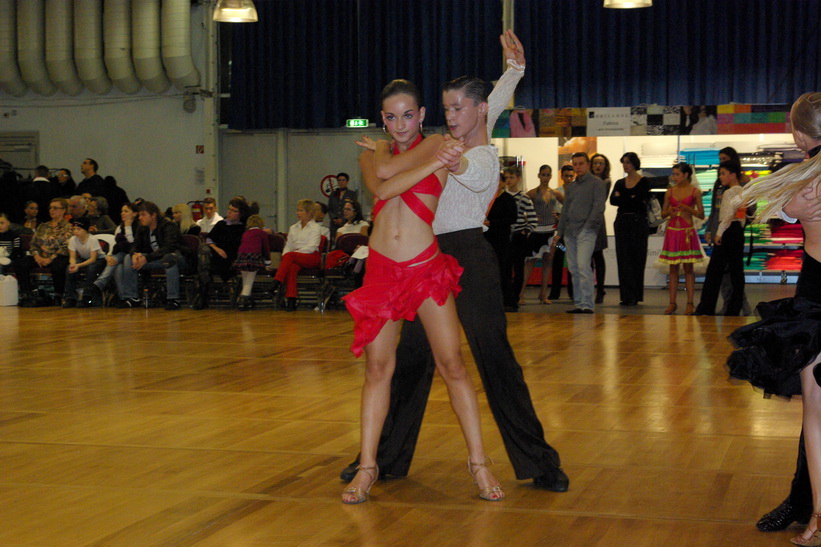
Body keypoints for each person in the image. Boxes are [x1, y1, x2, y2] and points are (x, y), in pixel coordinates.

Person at [341, 30, 568, 494]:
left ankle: (538, 461)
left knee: (492, 355)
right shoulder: (451, 136)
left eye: (458, 108)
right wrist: (515, 70)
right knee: (410, 360)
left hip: (467, 252)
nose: (451, 115)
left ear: (477, 111)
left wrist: (447, 155)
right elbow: (486, 104)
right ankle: (383, 457)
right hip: (421, 256)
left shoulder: (473, 153)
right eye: (446, 108)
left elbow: (478, 129)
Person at [342, 76, 503, 505]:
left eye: (408, 115)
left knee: (454, 365)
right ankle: (368, 468)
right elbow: (382, 184)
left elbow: (485, 110)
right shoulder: (378, 156)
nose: (400, 125)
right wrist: (418, 162)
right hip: (381, 273)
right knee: (378, 370)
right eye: (391, 118)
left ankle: (479, 463)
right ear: (382, 119)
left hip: (425, 269)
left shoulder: (436, 142)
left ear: (423, 115)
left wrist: (513, 73)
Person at [745, 92, 821, 537]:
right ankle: (805, 504)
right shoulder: (802, 177)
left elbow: (761, 208)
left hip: (815, 298)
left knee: (816, 412)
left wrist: (787, 205)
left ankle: (813, 513)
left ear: (799, 134)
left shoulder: (802, 179)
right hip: (814, 300)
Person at [556, 153, 607, 313]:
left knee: (583, 267)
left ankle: (587, 304)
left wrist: (587, 227)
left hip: (587, 232)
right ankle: (579, 303)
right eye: (575, 164)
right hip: (570, 232)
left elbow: (599, 208)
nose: (578, 167)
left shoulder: (597, 183)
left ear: (588, 164)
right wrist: (560, 232)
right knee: (574, 268)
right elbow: (565, 210)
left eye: (581, 163)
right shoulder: (571, 187)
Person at [694, 161, 746, 316]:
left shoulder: (729, 192)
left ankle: (706, 307)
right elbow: (742, 216)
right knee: (736, 271)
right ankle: (734, 308)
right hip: (737, 231)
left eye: (723, 174)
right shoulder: (743, 191)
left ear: (733, 175)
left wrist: (719, 233)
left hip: (727, 231)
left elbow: (727, 216)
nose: (720, 177)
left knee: (714, 271)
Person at [118, 201, 188, 310]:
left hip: (178, 258)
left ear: (153, 215)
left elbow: (168, 247)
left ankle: (173, 299)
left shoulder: (168, 226)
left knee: (168, 259)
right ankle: (132, 298)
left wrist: (146, 258)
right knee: (128, 258)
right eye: (139, 215)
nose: (140, 218)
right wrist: (134, 254)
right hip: (154, 259)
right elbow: (135, 245)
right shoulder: (142, 228)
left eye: (143, 215)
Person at [658, 162, 704, 315]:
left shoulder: (695, 192)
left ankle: (690, 303)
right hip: (673, 232)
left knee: (689, 269)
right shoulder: (670, 192)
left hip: (687, 233)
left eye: (677, 174)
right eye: (673, 174)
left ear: (686, 175)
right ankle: (672, 303)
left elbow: (701, 214)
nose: (674, 177)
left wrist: (689, 209)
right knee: (673, 269)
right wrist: (669, 212)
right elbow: (662, 214)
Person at [610, 152, 650, 306]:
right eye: (623, 162)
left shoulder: (644, 181)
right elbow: (613, 200)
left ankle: (635, 294)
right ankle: (626, 295)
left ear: (634, 163)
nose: (625, 165)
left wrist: (622, 198)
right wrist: (629, 198)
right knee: (623, 258)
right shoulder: (620, 182)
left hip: (638, 222)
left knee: (637, 258)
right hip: (622, 222)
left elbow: (639, 200)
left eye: (628, 162)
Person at [16, 197, 73, 306]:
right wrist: (37, 256)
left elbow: (66, 247)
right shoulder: (43, 226)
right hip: (41, 256)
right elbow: (33, 244)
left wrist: (50, 258)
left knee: (58, 266)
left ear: (63, 210)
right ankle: (27, 293)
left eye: (55, 208)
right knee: (21, 263)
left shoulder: (68, 227)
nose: (52, 210)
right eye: (50, 208)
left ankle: (58, 295)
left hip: (58, 256)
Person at [194, 198, 248, 309]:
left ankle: (204, 291)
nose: (229, 212)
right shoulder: (221, 224)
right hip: (217, 254)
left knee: (206, 262)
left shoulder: (243, 227)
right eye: (229, 209)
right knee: (204, 250)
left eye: (233, 211)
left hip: (233, 257)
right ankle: (204, 290)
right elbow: (210, 239)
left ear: (240, 213)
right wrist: (217, 249)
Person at [270, 199, 322, 312]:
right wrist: (287, 255)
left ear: (309, 212)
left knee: (290, 257)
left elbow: (311, 247)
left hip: (311, 256)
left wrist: (292, 255)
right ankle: (291, 300)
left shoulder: (316, 228)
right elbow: (288, 246)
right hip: (294, 257)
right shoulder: (293, 228)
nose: (298, 213)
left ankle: (277, 281)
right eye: (297, 210)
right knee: (292, 268)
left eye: (301, 210)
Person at [523, 164, 559, 305]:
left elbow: (568, 205)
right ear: (539, 175)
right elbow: (519, 206)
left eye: (548, 175)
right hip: (536, 231)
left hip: (550, 231)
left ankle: (543, 294)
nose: (545, 177)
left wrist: (559, 216)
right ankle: (520, 294)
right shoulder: (532, 193)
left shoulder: (555, 193)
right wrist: (528, 217)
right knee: (530, 263)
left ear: (551, 176)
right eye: (543, 174)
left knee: (547, 263)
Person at [504, 165, 536, 310]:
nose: (508, 180)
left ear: (518, 178)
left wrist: (524, 231)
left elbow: (533, 220)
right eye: (506, 177)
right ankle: (507, 298)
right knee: (505, 268)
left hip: (518, 237)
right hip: (504, 237)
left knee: (518, 269)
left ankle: (515, 297)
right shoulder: (501, 197)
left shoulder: (524, 198)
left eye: (511, 177)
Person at [484, 174, 518, 309]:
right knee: (489, 270)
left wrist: (492, 222)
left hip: (502, 239)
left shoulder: (508, 199)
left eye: (499, 181)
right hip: (487, 238)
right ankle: (492, 301)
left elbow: (512, 218)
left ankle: (509, 301)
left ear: (503, 183)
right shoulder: (487, 198)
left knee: (503, 270)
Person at [94, 202, 140, 298]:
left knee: (124, 257)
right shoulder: (119, 228)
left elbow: (133, 245)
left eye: (126, 211)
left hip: (135, 254)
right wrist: (109, 256)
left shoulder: (139, 227)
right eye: (122, 211)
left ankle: (100, 283)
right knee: (116, 266)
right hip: (121, 254)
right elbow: (116, 245)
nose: (122, 213)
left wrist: (128, 227)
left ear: (134, 214)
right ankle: (123, 297)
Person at [61, 216, 106, 308]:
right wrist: (73, 264)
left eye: (79, 229)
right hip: (84, 258)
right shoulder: (73, 239)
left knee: (91, 269)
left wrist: (78, 265)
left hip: (99, 259)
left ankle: (87, 296)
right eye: (74, 229)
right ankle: (70, 297)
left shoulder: (92, 239)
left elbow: (93, 259)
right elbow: (72, 256)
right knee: (69, 268)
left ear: (85, 230)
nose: (75, 231)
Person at [233, 214, 271, 311]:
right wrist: (268, 263)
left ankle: (247, 300)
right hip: (254, 256)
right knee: (250, 278)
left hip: (242, 256)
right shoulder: (262, 233)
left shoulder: (245, 233)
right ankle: (243, 300)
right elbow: (266, 249)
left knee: (245, 279)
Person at [548, 165, 574, 301]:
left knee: (572, 261)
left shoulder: (577, 191)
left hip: (572, 232)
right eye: (566, 176)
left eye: (571, 176)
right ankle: (555, 292)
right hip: (559, 234)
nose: (569, 178)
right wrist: (556, 216)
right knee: (557, 259)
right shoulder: (556, 192)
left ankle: (572, 292)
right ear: (562, 176)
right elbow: (551, 210)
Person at [327, 172, 358, 240]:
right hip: (334, 224)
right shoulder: (333, 194)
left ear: (347, 181)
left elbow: (354, 208)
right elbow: (329, 209)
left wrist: (343, 219)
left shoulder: (352, 194)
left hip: (346, 223)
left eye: (343, 180)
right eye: (339, 180)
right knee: (334, 240)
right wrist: (334, 218)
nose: (341, 182)